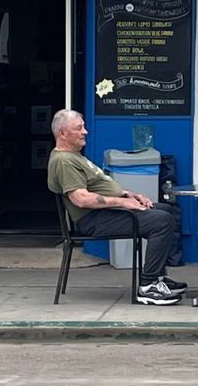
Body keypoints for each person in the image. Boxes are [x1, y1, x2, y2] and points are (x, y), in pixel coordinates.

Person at [46, 109, 187, 306]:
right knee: (161, 221)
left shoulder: (74, 156)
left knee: (166, 210)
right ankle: (148, 287)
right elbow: (81, 199)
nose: (85, 131)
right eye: (79, 128)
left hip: (105, 213)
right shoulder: (64, 161)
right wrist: (123, 202)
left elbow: (101, 186)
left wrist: (129, 194)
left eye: (84, 127)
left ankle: (158, 278)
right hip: (94, 220)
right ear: (62, 133)